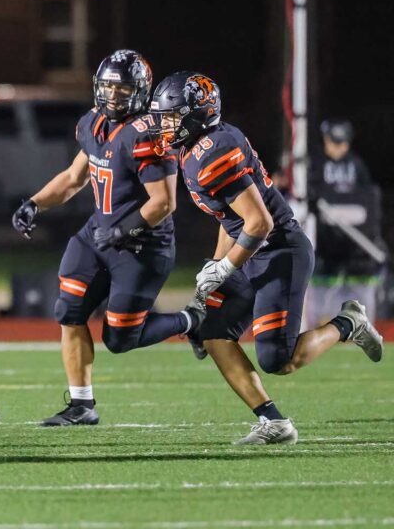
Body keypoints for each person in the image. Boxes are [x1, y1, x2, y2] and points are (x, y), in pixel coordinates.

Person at [150, 71, 384, 444]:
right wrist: (213, 268)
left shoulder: (213, 152)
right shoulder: (199, 147)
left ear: (198, 112)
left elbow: (259, 223)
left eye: (173, 116)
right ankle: (274, 422)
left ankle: (348, 323)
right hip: (251, 251)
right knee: (212, 331)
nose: (164, 125)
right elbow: (229, 218)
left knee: (279, 360)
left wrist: (226, 267)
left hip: (279, 251)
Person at [12, 49, 202, 427]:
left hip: (142, 246)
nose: (114, 97)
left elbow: (164, 203)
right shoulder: (93, 124)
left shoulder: (148, 135)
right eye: (109, 88)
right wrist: (35, 204)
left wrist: (122, 229)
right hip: (98, 235)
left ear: (141, 92)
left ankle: (192, 320)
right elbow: (73, 178)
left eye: (124, 89)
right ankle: (82, 405)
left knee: (120, 338)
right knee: (69, 310)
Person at [306, 118, 386, 324]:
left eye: (343, 143)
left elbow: (369, 198)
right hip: (325, 243)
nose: (339, 147)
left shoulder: (356, 165)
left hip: (355, 244)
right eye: (334, 142)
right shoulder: (316, 164)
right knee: (323, 290)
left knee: (357, 292)